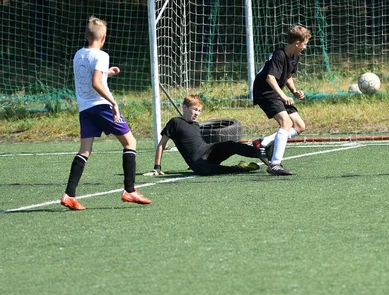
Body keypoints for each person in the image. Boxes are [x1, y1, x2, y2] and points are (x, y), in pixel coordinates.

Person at [60, 16, 151, 210]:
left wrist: (106, 73)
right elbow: (95, 83)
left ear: (86, 35)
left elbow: (88, 76)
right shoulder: (101, 55)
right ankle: (130, 190)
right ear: (104, 38)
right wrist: (114, 103)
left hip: (85, 109)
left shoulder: (78, 54)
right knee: (130, 142)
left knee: (84, 151)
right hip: (102, 106)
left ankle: (69, 194)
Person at [147, 94, 266, 176]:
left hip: (209, 152)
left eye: (199, 111)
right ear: (184, 107)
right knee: (205, 170)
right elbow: (162, 144)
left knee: (230, 144)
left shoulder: (196, 125)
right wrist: (157, 166)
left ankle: (263, 153)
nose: (197, 113)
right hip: (198, 162)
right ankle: (240, 168)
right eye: (194, 109)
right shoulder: (175, 122)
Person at [251, 24, 312, 176]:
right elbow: (270, 77)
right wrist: (284, 96)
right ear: (297, 43)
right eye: (305, 43)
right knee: (286, 123)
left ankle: (263, 142)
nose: (305, 46)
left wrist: (294, 91)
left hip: (276, 92)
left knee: (299, 126)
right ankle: (275, 164)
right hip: (264, 91)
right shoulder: (279, 55)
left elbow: (289, 76)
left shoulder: (295, 56)